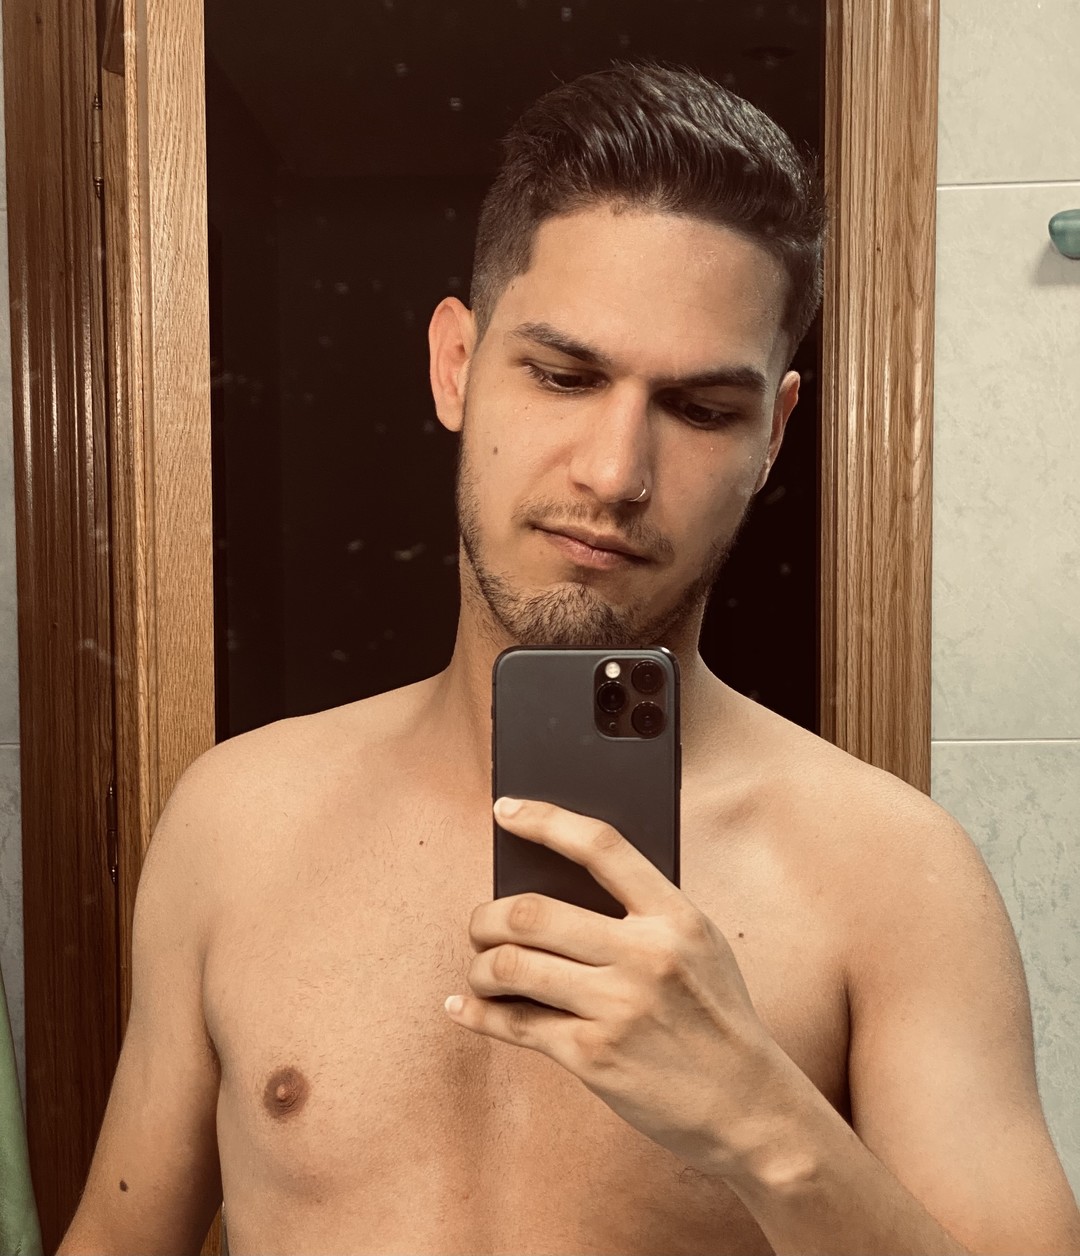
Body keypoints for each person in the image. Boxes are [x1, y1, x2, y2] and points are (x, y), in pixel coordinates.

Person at [58, 62, 1080, 1256]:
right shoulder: (236, 821)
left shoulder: (893, 878)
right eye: (563, 374)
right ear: (456, 363)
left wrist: (768, 1126)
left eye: (701, 408)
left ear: (774, 434)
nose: (614, 471)